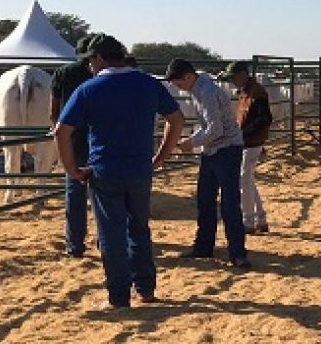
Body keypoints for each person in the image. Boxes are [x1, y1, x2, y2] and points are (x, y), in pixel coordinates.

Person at [54, 34, 184, 309]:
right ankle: (146, 288)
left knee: (111, 234)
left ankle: (119, 296)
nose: (89, 66)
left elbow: (61, 132)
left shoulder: (89, 89)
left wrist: (71, 169)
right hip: (139, 169)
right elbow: (176, 119)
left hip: (104, 171)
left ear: (99, 58)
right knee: (139, 228)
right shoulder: (148, 84)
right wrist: (160, 156)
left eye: (90, 60)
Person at [166, 58, 251, 269]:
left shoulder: (206, 92)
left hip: (226, 149)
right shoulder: (200, 89)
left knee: (229, 202)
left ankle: (237, 252)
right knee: (205, 199)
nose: (179, 88)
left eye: (178, 83)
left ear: (188, 76)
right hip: (214, 149)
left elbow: (215, 129)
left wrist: (190, 143)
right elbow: (210, 126)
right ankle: (204, 246)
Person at [52, 34, 96, 257]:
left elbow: (55, 107)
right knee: (102, 193)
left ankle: (74, 245)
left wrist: (56, 129)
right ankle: (103, 239)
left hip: (72, 139)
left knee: (74, 194)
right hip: (97, 139)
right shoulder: (98, 74)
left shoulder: (62, 73)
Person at [219, 61, 273, 235]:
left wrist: (243, 134)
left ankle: (248, 221)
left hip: (251, 142)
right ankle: (260, 219)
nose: (232, 82)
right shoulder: (248, 91)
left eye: (234, 77)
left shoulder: (256, 92)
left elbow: (265, 118)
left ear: (243, 74)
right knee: (247, 179)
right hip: (249, 141)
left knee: (244, 179)